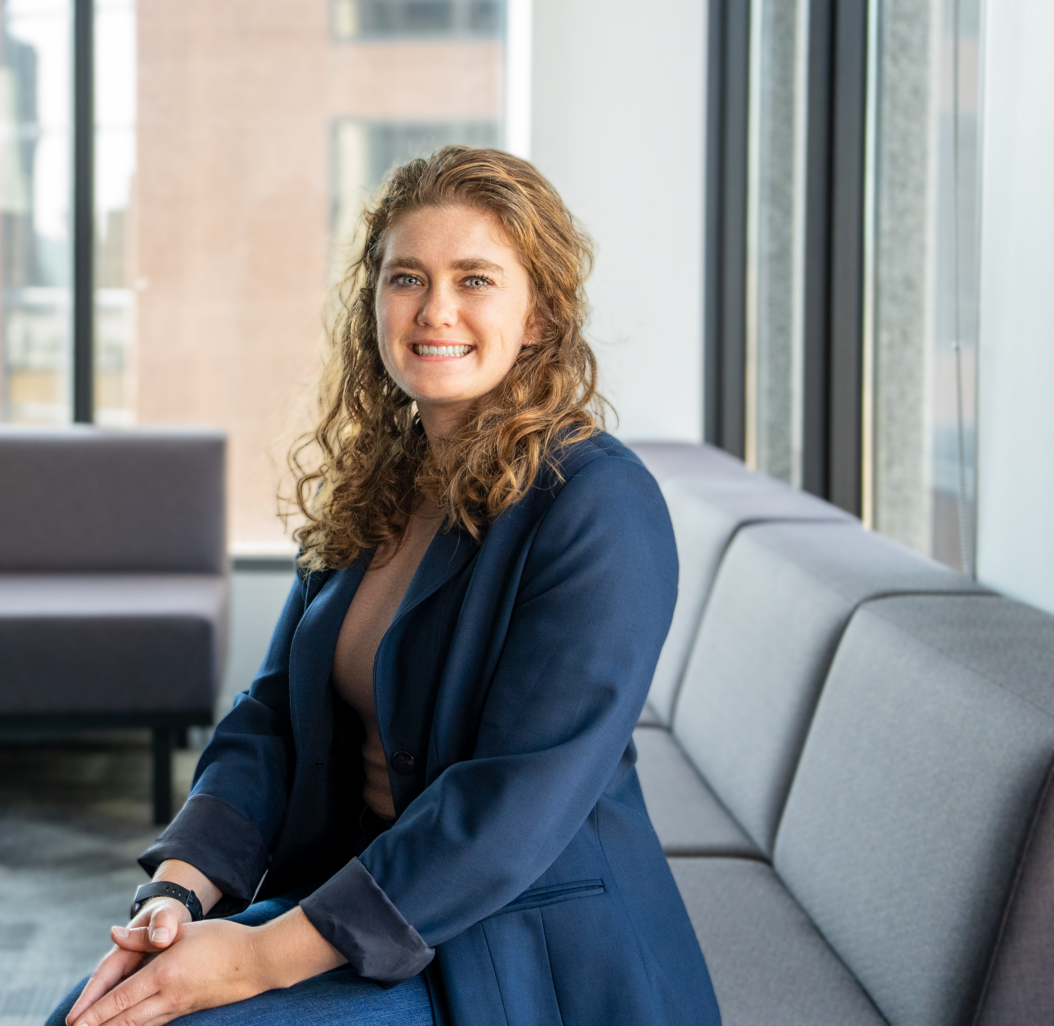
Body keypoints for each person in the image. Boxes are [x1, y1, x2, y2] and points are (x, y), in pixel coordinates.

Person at [47, 146, 720, 1026]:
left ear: (541, 316)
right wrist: (179, 894)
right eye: (408, 278)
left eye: (476, 279)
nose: (436, 309)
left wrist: (255, 957)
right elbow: (274, 718)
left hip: (507, 952)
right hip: (348, 910)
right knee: (87, 1011)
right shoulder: (383, 484)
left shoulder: (597, 505)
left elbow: (508, 805)